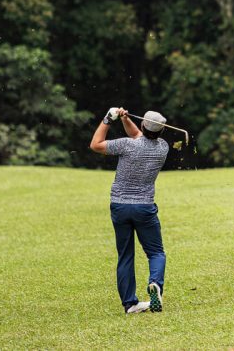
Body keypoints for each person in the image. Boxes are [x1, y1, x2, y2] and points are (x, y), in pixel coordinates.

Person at [90, 107, 170, 314]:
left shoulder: (127, 145)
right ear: (161, 132)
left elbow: (95, 145)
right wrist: (125, 119)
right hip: (144, 208)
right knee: (156, 252)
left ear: (143, 125)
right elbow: (139, 136)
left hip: (120, 206)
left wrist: (108, 119)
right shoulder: (163, 147)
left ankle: (130, 304)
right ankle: (155, 285)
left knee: (125, 255)